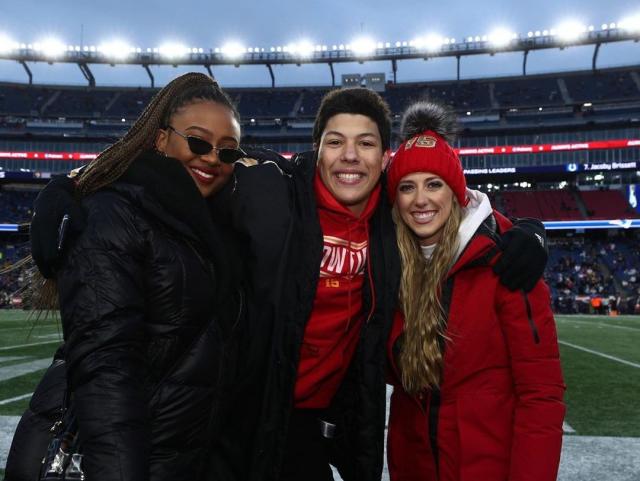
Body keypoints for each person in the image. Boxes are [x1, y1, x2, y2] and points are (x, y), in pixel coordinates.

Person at [27, 87, 549, 481]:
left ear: (383, 160)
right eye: (335, 142)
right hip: (235, 415)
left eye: (366, 143)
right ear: (315, 151)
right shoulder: (269, 189)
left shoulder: (393, 216)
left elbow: (448, 200)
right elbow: (181, 178)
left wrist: (526, 231)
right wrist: (75, 189)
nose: (350, 155)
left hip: (310, 426)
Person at [6, 72, 250, 481]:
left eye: (227, 152)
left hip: (168, 456)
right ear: (159, 140)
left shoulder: (205, 224)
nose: (211, 157)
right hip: (118, 459)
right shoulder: (113, 215)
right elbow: (107, 370)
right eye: (196, 141)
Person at [384, 100, 565, 481]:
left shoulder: (507, 259)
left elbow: (541, 394)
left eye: (434, 184)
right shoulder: (390, 263)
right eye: (407, 187)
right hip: (413, 466)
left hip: (485, 466)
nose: (421, 200)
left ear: (456, 191)